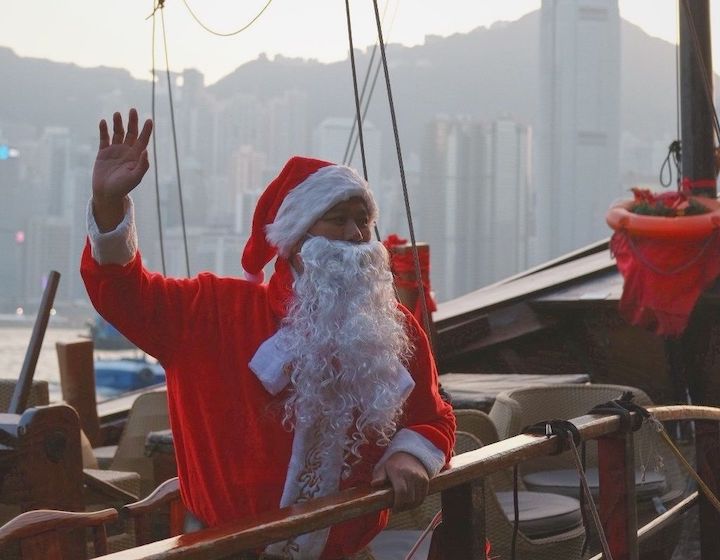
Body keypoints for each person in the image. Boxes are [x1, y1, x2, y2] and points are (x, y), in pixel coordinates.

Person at [81, 108, 455, 560]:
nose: (357, 234)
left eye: (364, 220)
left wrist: (408, 455)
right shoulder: (211, 310)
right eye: (338, 219)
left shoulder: (392, 327)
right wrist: (107, 205)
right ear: (295, 237)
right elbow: (123, 293)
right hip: (224, 550)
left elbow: (431, 417)